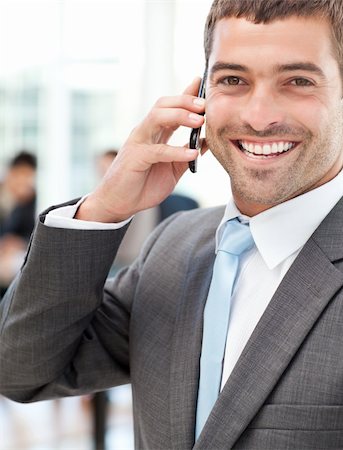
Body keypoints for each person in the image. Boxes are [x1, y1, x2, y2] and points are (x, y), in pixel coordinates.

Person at [1, 1, 343, 448]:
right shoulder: (173, 247)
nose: (259, 116)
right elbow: (20, 368)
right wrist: (103, 207)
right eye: (232, 80)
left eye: (298, 81)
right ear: (199, 100)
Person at [0, 151, 37, 296]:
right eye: (21, 175)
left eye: (29, 177)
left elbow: (30, 232)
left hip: (12, 254)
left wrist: (18, 242)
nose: (25, 182)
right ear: (10, 173)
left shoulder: (29, 196)